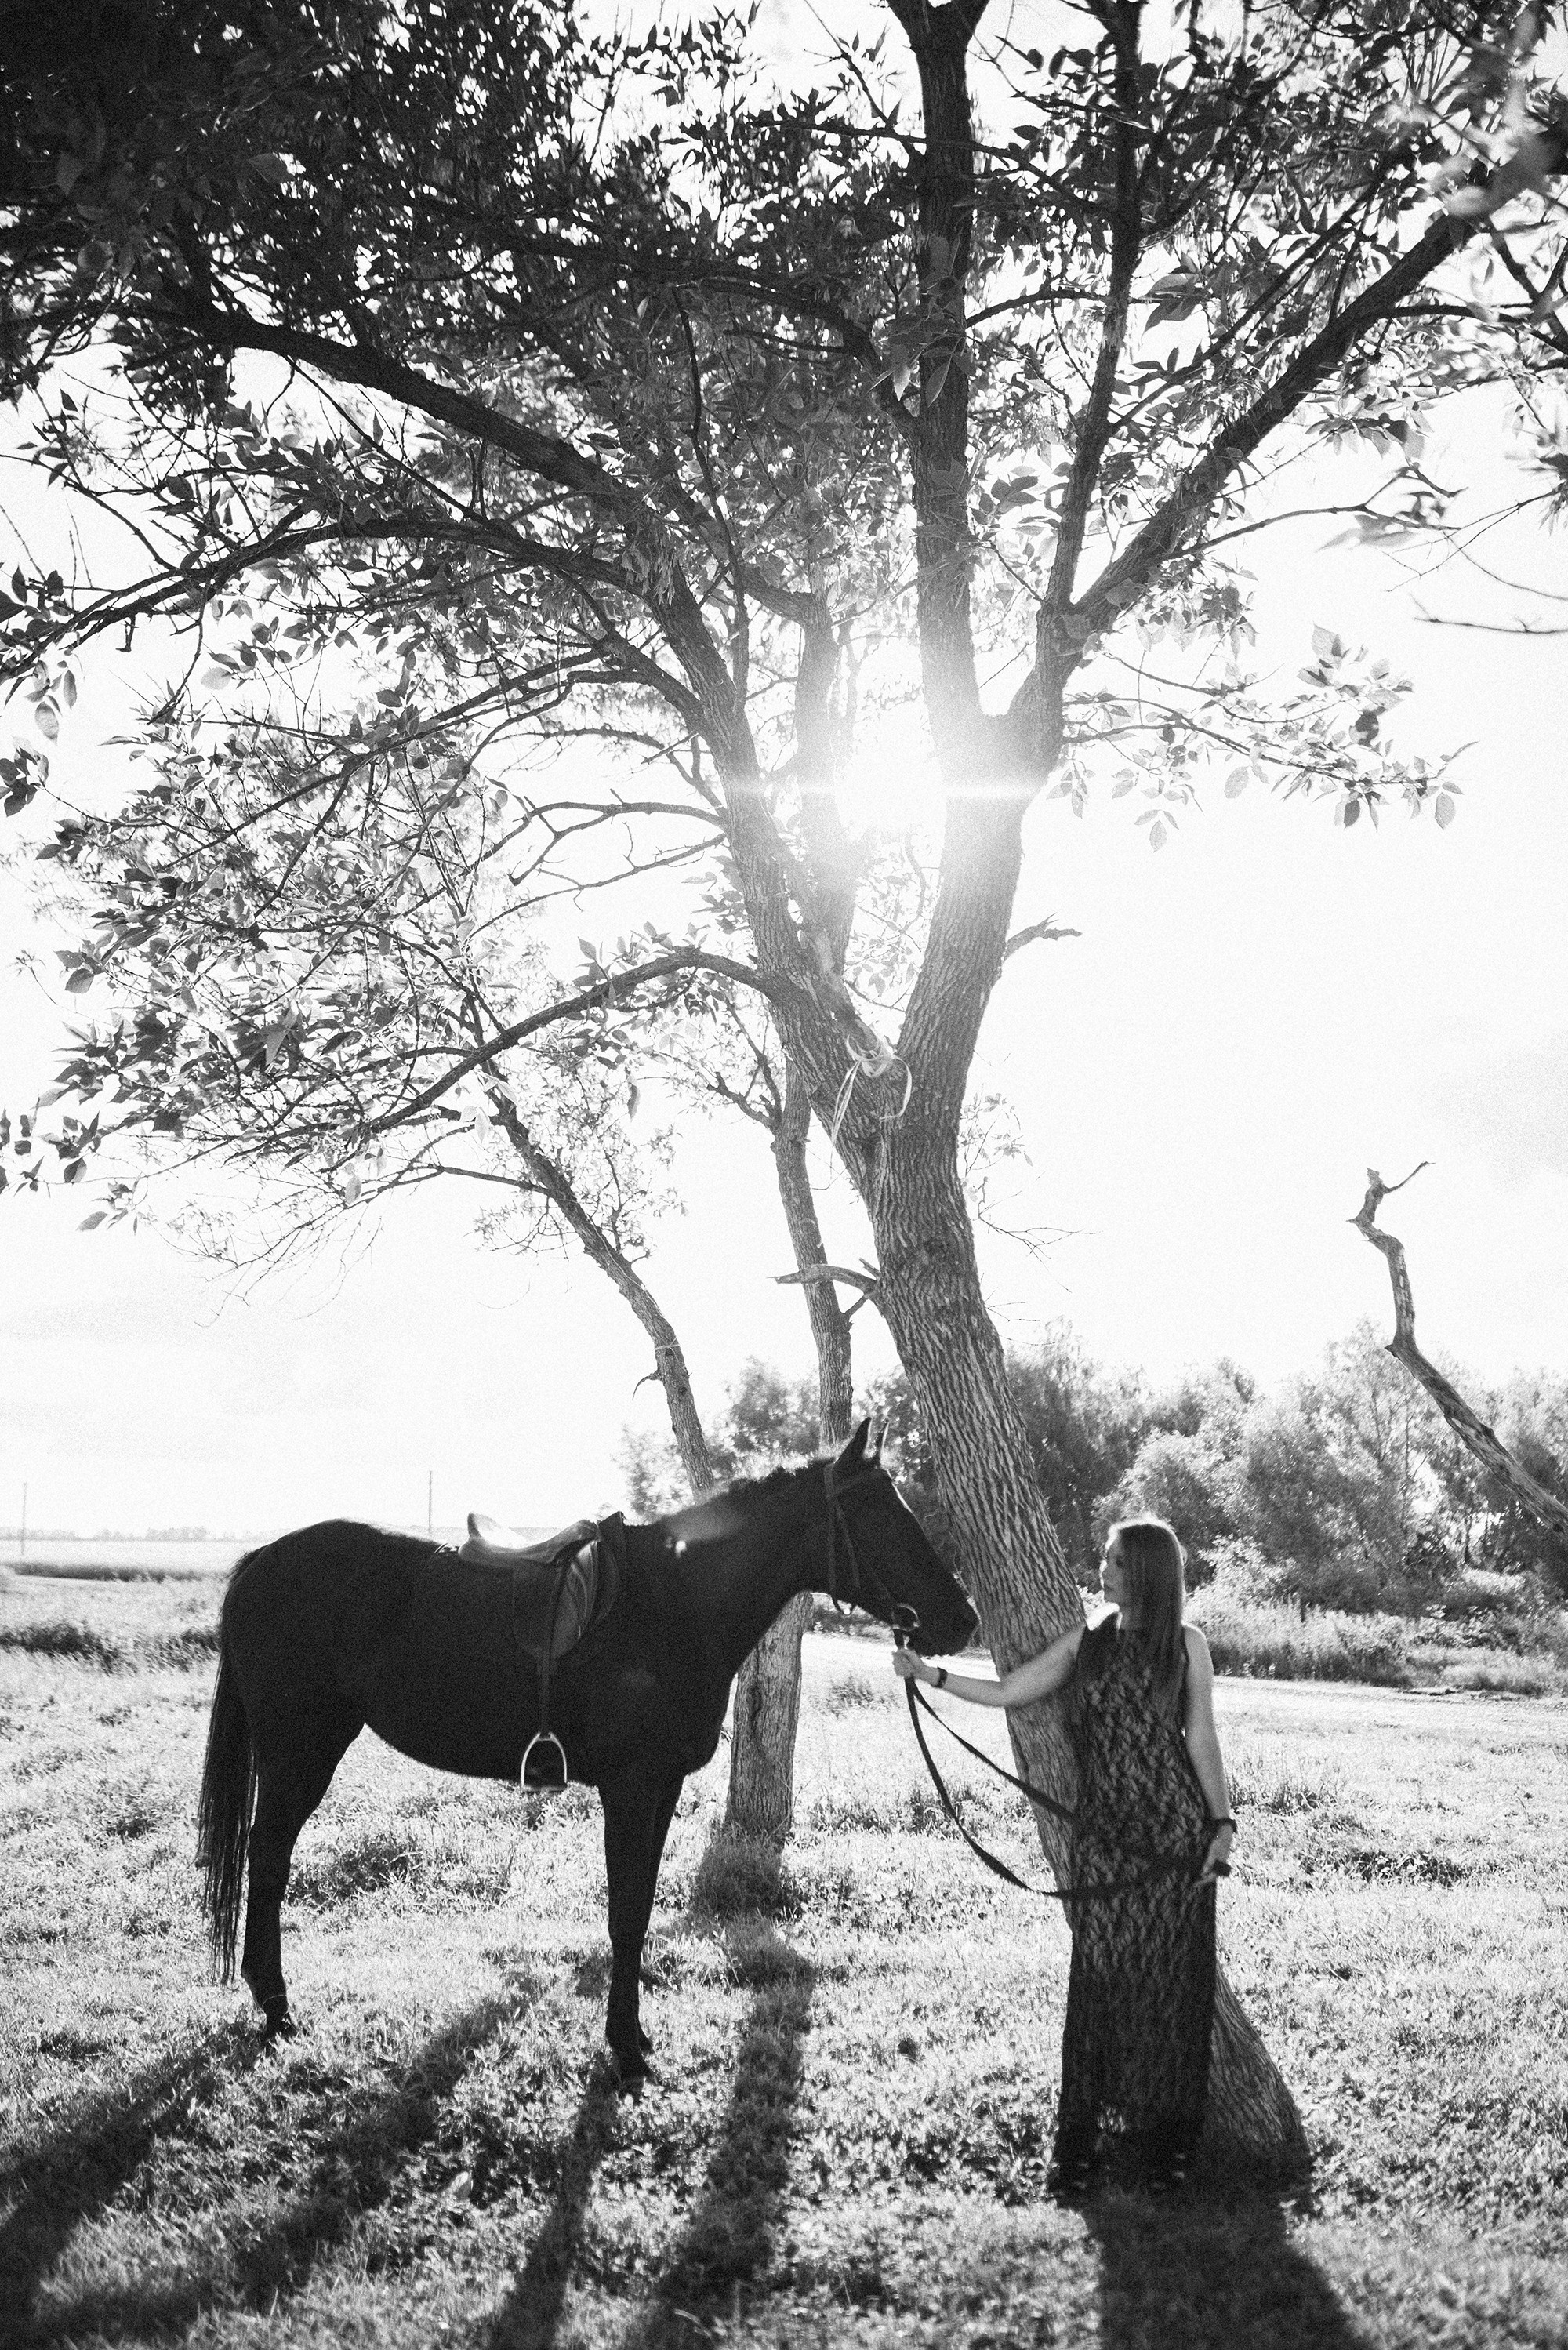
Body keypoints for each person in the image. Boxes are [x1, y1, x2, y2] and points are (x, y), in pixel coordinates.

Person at [892, 1516, 1236, 2196]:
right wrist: (930, 1673)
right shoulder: (1088, 1640)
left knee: (1173, 1989)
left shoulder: (1188, 1645)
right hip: (1105, 1838)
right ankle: (1081, 2145)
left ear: (1144, 1569)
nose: (1101, 1568)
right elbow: (1012, 1690)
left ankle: (1169, 2149)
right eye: (1104, 1557)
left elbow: (1202, 1737)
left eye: (1111, 1559)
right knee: (1100, 1984)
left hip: (1174, 1836)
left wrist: (1221, 1823)